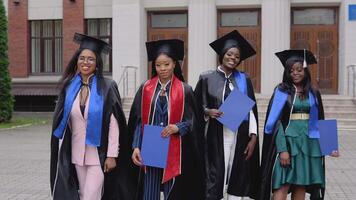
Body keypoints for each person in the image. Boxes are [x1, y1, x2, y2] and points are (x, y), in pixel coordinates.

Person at [50, 33, 134, 200]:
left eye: (90, 59)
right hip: (76, 152)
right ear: (77, 61)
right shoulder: (69, 86)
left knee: (91, 195)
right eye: (82, 58)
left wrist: (111, 154)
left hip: (98, 154)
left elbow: (114, 123)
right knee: (81, 194)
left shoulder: (107, 86)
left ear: (97, 64)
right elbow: (63, 120)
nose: (85, 62)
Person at [127, 39, 205, 200]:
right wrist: (136, 146)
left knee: (173, 191)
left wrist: (178, 127)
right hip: (151, 147)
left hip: (174, 148)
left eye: (166, 64)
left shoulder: (185, 90)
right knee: (150, 191)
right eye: (158, 65)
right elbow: (138, 121)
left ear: (174, 64)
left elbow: (193, 121)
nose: (162, 69)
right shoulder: (146, 88)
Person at [259, 49, 339, 200]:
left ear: (305, 71)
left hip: (309, 144)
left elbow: (320, 118)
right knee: (282, 184)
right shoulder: (282, 91)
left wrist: (330, 145)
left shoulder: (314, 92)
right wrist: (282, 149)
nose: (295, 73)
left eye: (299, 70)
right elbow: (275, 123)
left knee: (300, 184)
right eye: (291, 70)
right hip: (289, 143)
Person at [194, 30, 260, 200]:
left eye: (237, 56)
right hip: (216, 136)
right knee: (216, 175)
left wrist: (253, 137)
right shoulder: (207, 78)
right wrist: (208, 112)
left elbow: (250, 111)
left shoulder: (243, 79)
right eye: (229, 54)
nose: (233, 58)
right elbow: (194, 107)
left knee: (236, 175)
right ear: (222, 54)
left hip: (239, 135)